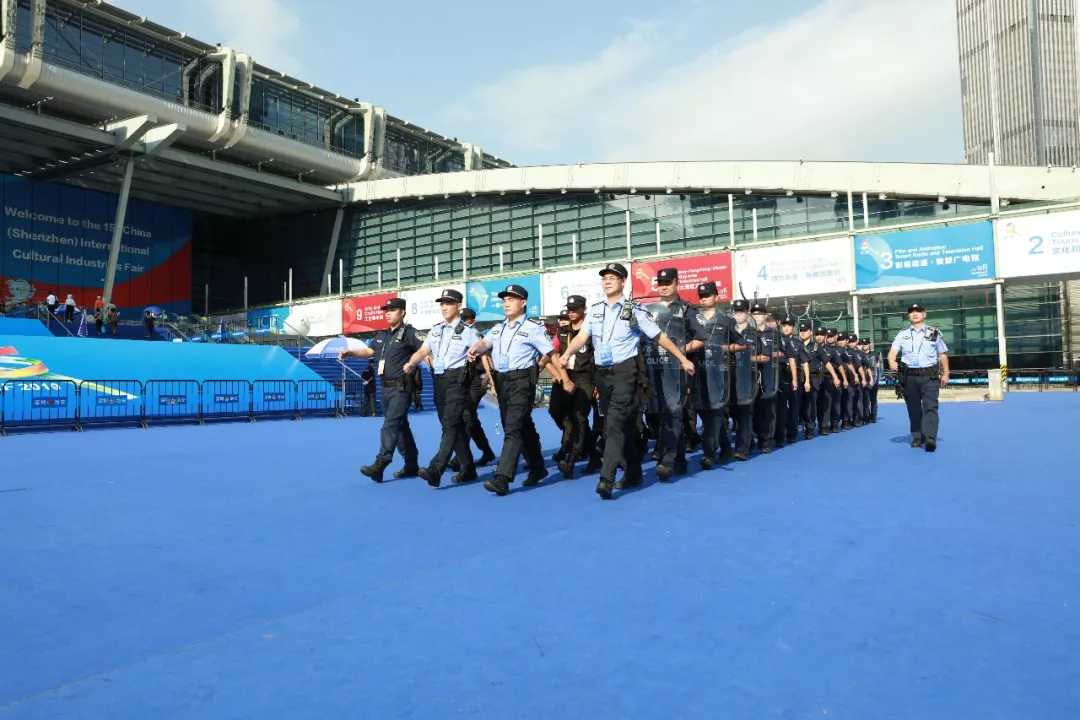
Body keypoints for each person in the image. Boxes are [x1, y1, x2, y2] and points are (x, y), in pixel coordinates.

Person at [557, 263, 694, 499]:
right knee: (624, 427)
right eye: (605, 278)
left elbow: (658, 336)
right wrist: (567, 353)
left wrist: (682, 358)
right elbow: (582, 337)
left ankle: (606, 479)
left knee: (613, 424)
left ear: (623, 282)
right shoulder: (596, 311)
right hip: (602, 374)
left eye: (613, 277)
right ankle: (633, 473)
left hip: (625, 373)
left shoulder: (635, 310)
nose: (608, 281)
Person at [468, 284, 571, 496]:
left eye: (512, 299)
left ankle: (502, 477)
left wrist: (564, 378)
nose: (506, 303)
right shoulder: (498, 328)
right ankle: (537, 467)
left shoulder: (533, 329)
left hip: (522, 381)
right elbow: (485, 342)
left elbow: (550, 353)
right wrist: (475, 348)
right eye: (505, 300)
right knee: (521, 425)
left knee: (513, 428)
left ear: (523, 303)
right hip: (502, 381)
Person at [403, 289, 481, 487]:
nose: (444, 307)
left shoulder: (469, 331)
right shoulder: (436, 330)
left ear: (458, 306)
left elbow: (481, 349)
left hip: (457, 381)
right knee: (454, 427)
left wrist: (475, 353)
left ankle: (436, 469)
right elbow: (423, 350)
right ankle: (468, 468)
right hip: (439, 381)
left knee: (450, 424)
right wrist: (411, 362)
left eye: (448, 303)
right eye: (442, 304)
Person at [339, 297, 423, 482]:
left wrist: (412, 362)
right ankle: (411, 464)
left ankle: (381, 463)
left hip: (401, 388)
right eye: (386, 310)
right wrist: (351, 352)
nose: (388, 313)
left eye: (392, 310)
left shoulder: (410, 333)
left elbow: (423, 350)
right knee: (400, 426)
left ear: (402, 312)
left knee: (390, 425)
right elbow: (369, 352)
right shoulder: (381, 336)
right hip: (385, 389)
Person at [685, 281, 743, 469]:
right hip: (697, 373)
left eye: (707, 296)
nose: (703, 299)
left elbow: (742, 343)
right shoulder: (692, 319)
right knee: (703, 412)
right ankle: (725, 447)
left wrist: (726, 348)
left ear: (716, 297)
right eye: (701, 296)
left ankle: (709, 453)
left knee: (714, 412)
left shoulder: (725, 320)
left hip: (717, 374)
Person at [643, 267, 693, 480]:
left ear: (676, 284)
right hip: (654, 369)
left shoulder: (687, 309)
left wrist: (678, 351)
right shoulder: (648, 311)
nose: (663, 287)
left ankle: (667, 461)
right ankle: (679, 461)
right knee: (662, 416)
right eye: (660, 283)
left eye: (668, 283)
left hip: (677, 370)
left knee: (673, 414)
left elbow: (701, 338)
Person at [888, 303, 949, 452]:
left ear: (924, 314)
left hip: (929, 376)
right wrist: (891, 360)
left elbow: (942, 354)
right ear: (908, 315)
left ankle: (930, 438)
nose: (915, 314)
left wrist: (946, 373)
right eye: (912, 312)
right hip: (909, 377)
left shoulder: (933, 332)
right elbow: (893, 351)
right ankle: (917, 436)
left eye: (918, 311)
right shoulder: (902, 334)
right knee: (913, 408)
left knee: (930, 406)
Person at [555, 295, 603, 479]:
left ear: (584, 309)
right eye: (569, 309)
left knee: (580, 418)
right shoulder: (562, 332)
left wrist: (597, 383)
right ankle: (594, 458)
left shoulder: (590, 332)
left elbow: (597, 359)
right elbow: (551, 353)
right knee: (570, 419)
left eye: (575, 308)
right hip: (568, 378)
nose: (571, 312)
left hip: (586, 379)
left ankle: (571, 460)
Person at [456, 308, 497, 468]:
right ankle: (486, 452)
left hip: (477, 381)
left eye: (466, 319)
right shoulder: (459, 335)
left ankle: (461, 456)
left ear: (473, 321)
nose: (463, 322)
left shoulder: (479, 337)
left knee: (466, 415)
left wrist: (489, 379)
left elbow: (488, 359)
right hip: (464, 381)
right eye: (461, 319)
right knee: (470, 419)